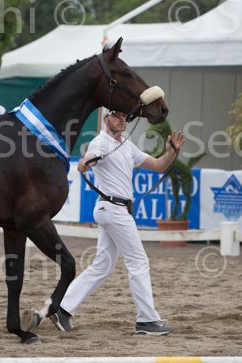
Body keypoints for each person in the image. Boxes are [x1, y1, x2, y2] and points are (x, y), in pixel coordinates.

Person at [49, 109, 184, 335]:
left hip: (113, 209)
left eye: (125, 117)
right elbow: (89, 159)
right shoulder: (101, 142)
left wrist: (171, 152)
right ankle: (147, 321)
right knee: (138, 262)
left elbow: (158, 165)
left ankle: (62, 308)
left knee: (103, 265)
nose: (123, 120)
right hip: (114, 210)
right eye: (117, 116)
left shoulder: (127, 145)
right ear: (106, 118)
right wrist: (84, 163)